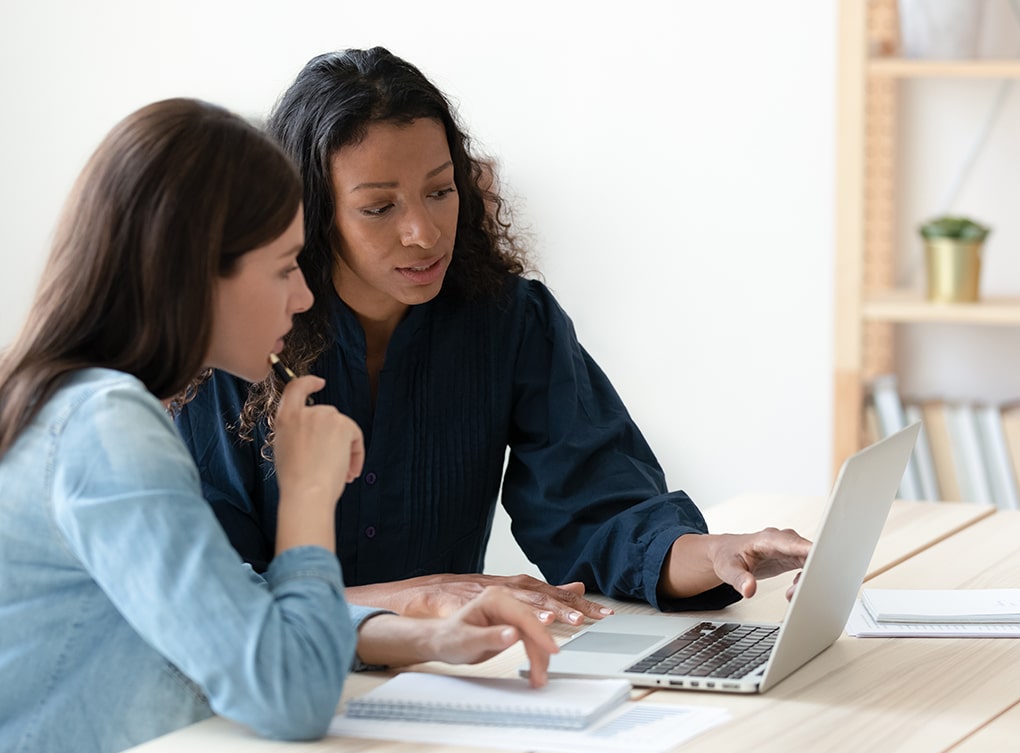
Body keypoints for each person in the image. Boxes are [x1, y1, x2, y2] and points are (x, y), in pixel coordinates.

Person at [0, 98, 558, 753]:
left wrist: (422, 636)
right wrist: (307, 496)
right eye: (285, 266)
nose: (302, 297)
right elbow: (292, 694)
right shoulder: (108, 426)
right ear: (198, 271)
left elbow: (226, 611)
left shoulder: (75, 405)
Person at [175, 47, 812, 626]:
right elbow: (210, 597)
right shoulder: (235, 346)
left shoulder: (510, 320)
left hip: (447, 681)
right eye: (379, 207)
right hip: (268, 700)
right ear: (311, 214)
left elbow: (596, 513)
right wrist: (414, 596)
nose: (424, 232)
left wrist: (718, 552)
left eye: (441, 190)